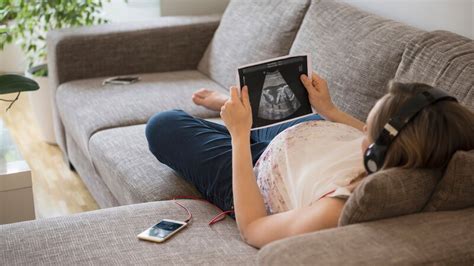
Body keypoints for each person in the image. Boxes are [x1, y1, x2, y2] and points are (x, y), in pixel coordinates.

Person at [145, 72, 474, 248]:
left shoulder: (339, 207)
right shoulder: (416, 157)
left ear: (376, 155)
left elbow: (254, 229)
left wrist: (238, 135)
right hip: (310, 136)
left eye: (367, 132)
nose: (363, 132)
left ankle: (239, 120)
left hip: (267, 167)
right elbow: (374, 135)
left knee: (163, 125)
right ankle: (230, 107)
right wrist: (329, 111)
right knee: (282, 109)